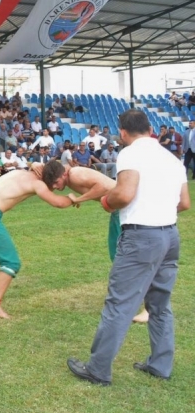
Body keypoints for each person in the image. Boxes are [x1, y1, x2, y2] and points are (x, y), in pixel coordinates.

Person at [67, 110, 189, 386]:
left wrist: (107, 202)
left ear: (122, 132)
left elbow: (123, 193)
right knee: (160, 304)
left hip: (141, 236)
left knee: (120, 303)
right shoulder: (172, 158)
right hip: (169, 234)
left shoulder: (130, 154)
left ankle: (98, 369)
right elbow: (184, 203)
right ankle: (160, 363)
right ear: (149, 128)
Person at [0, 161, 73, 319]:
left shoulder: (18, 172)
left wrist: (35, 163)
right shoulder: (37, 184)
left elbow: (46, 166)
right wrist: (74, 198)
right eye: (57, 183)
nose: (58, 187)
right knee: (11, 263)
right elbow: (58, 202)